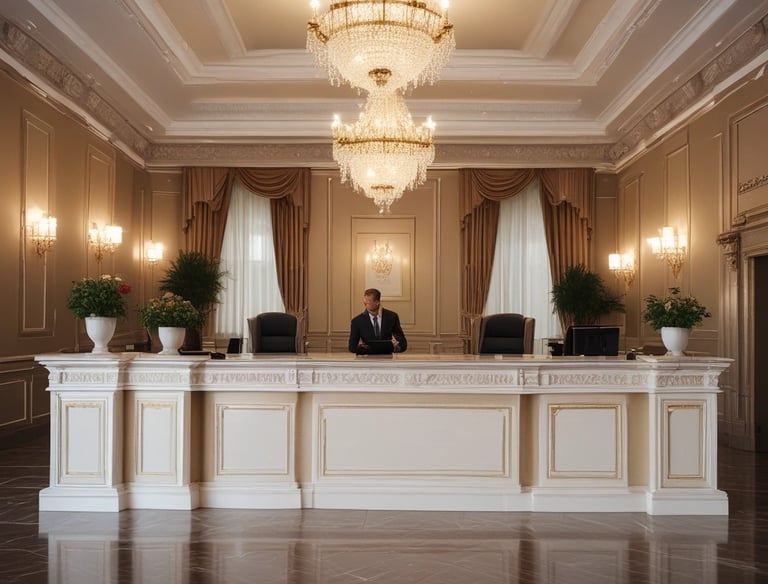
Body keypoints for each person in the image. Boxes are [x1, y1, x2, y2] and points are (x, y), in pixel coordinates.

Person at [348, 288, 407, 353]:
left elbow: (403, 344)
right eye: (365, 301)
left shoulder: (392, 317)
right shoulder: (357, 321)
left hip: (388, 360)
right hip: (366, 360)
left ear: (377, 302)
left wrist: (397, 345)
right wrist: (362, 348)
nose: (365, 303)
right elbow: (352, 347)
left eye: (369, 301)